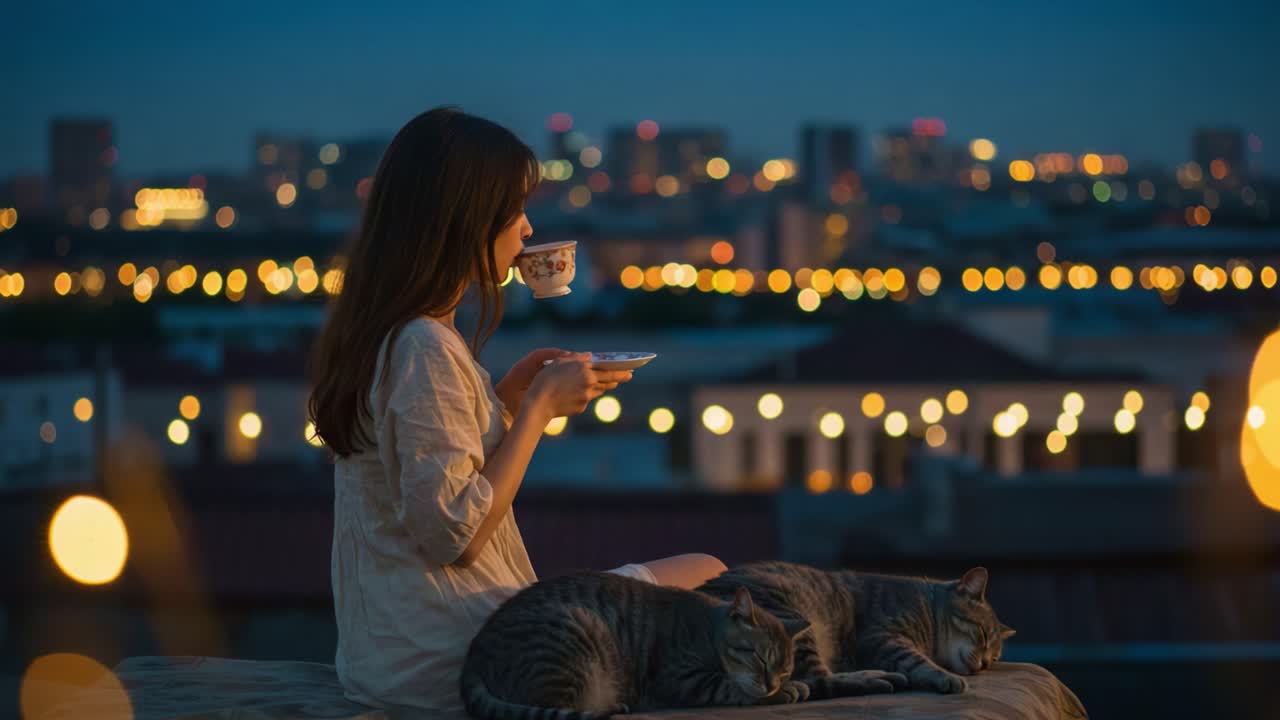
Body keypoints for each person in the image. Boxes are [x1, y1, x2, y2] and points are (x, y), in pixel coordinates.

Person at [307, 107, 727, 717]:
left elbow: (425, 467)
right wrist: (536, 416)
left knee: (698, 584)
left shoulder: (396, 334)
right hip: (460, 658)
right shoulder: (425, 345)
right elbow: (454, 532)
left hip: (393, 658)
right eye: (514, 211)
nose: (528, 230)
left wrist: (509, 400)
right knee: (710, 576)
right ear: (466, 221)